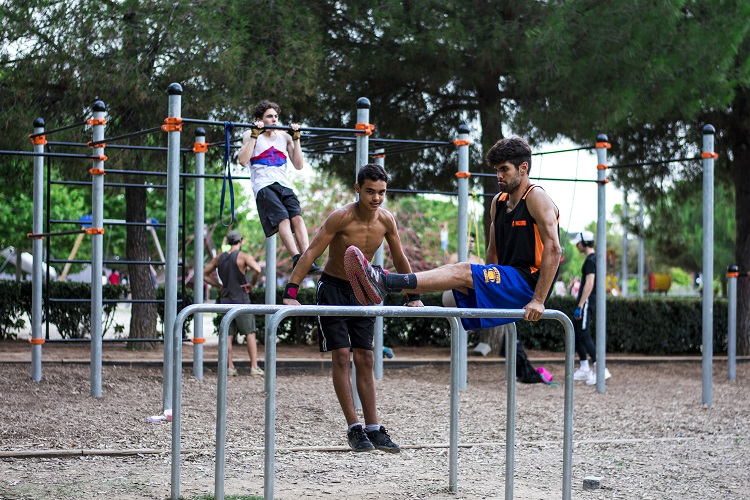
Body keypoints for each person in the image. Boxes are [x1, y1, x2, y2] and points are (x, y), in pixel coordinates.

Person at [344, 136, 562, 329]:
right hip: (507, 280)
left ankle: (385, 281)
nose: (499, 175)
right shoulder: (498, 202)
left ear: (523, 168)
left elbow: (553, 249)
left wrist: (539, 300)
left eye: (504, 169)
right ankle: (400, 290)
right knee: (453, 282)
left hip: (528, 284)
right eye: (496, 170)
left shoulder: (536, 197)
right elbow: (492, 251)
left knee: (461, 270)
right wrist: (485, 284)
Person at [282, 163, 422, 453]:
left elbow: (399, 258)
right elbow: (311, 253)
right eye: (370, 191)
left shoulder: (386, 220)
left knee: (366, 358)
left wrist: (412, 294)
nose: (376, 198)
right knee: (342, 356)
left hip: (363, 291)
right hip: (332, 288)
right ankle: (354, 428)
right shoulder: (340, 218)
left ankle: (374, 427)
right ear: (358, 189)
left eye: (382, 192)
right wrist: (291, 292)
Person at [237, 99, 321, 273]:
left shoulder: (284, 136)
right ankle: (296, 258)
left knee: (297, 217)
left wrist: (296, 139)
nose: (274, 120)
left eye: (276, 116)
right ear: (259, 119)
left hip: (284, 184)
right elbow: (243, 160)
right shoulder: (251, 134)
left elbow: (298, 165)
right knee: (282, 218)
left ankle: (306, 257)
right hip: (264, 185)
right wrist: (254, 134)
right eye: (269, 117)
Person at [203, 229, 265, 376]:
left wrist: (218, 285)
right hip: (241, 300)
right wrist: (252, 284)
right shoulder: (243, 257)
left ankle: (230, 367)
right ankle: (254, 367)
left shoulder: (219, 258)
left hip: (225, 300)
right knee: (250, 333)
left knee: (227, 335)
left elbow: (204, 274)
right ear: (240, 241)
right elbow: (257, 269)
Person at [569, 231, 612, 385]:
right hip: (586, 301)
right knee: (577, 331)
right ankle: (584, 368)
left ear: (584, 243)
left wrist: (580, 305)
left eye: (578, 242)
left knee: (584, 334)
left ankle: (601, 369)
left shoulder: (591, 261)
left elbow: (590, 283)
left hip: (586, 302)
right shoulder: (594, 259)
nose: (576, 245)